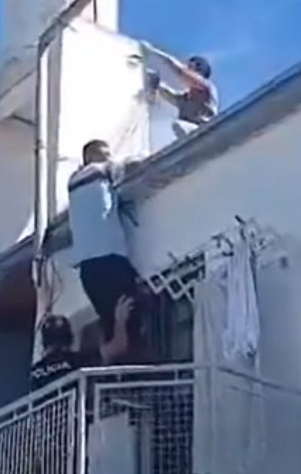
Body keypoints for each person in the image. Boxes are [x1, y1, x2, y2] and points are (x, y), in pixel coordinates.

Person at [68, 140, 149, 362]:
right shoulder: (103, 170)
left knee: (110, 323)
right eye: (106, 154)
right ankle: (137, 371)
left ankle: (115, 374)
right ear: (98, 155)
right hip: (110, 260)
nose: (109, 158)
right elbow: (134, 164)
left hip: (88, 269)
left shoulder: (73, 183)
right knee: (133, 317)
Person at [29, 297, 134, 391]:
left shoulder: (32, 373)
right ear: (70, 339)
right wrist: (120, 318)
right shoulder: (76, 361)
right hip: (74, 412)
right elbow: (118, 347)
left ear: (44, 342)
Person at [144, 45, 220, 138]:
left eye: (190, 68)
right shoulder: (184, 99)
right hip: (191, 134)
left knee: (178, 125)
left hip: (208, 133)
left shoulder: (208, 88)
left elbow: (180, 71)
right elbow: (168, 95)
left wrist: (153, 51)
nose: (187, 69)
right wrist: (152, 80)